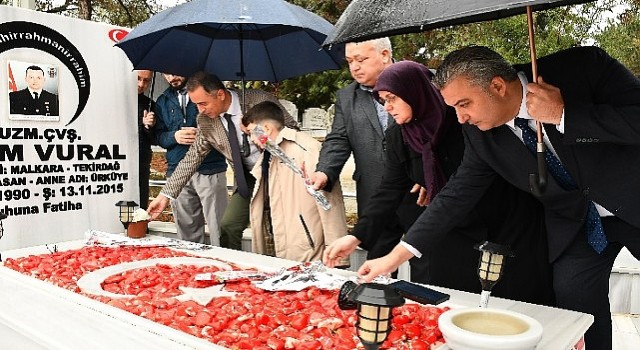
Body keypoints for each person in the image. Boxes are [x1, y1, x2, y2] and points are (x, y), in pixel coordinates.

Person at [352, 46, 640, 350]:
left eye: (464, 104)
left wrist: (565, 114)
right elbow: (457, 193)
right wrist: (396, 256)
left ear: (498, 87)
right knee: (576, 309)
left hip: (633, 199)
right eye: (453, 108)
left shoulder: (583, 68)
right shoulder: (478, 134)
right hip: (576, 223)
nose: (460, 118)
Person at [324, 61, 554, 305]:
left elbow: (472, 178)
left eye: (392, 98)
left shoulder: (463, 120)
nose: (387, 107)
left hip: (506, 222)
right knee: (456, 303)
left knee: (514, 300)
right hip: (450, 231)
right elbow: (389, 189)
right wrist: (357, 236)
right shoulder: (399, 136)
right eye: (383, 101)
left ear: (415, 90)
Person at [147, 72, 298, 250]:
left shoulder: (258, 100)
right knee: (229, 226)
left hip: (281, 170)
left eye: (203, 103)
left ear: (220, 94)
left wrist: (259, 134)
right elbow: (192, 157)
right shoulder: (206, 120)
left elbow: (293, 129)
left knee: (280, 224)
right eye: (196, 105)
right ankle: (232, 270)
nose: (200, 109)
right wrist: (165, 196)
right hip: (247, 177)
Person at [310, 38, 423, 263]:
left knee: (425, 264)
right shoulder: (346, 97)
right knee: (375, 265)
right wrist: (324, 171)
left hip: (419, 192)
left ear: (384, 55)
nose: (354, 67)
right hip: (375, 192)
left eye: (361, 59)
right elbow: (338, 139)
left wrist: (431, 174)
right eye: (350, 61)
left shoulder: (417, 83)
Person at [243, 101, 349, 263]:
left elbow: (330, 202)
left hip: (307, 248)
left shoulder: (306, 148)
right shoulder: (268, 153)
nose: (251, 139)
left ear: (266, 129)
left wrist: (337, 255)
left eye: (251, 132)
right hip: (280, 241)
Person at [153, 73, 228, 245]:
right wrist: (174, 136)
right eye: (166, 74)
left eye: (174, 72)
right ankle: (194, 267)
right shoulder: (162, 101)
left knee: (220, 227)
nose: (171, 77)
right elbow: (159, 137)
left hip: (210, 168)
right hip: (176, 170)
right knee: (187, 232)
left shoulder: (206, 91)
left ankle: (225, 266)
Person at [136, 70, 157, 210]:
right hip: (116, 160)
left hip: (141, 161)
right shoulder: (115, 100)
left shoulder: (150, 105)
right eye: (138, 79)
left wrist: (149, 126)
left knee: (140, 201)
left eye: (146, 80)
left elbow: (155, 139)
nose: (141, 84)